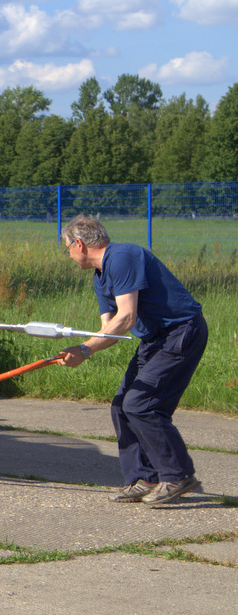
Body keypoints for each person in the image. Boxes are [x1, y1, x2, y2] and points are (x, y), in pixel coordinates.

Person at [55, 215, 207, 505]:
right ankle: (144, 478)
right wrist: (76, 349)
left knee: (142, 404)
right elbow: (109, 330)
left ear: (79, 244)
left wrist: (85, 350)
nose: (70, 256)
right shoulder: (100, 277)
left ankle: (177, 475)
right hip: (154, 340)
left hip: (181, 332)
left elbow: (127, 318)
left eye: (68, 249)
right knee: (121, 406)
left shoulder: (123, 256)